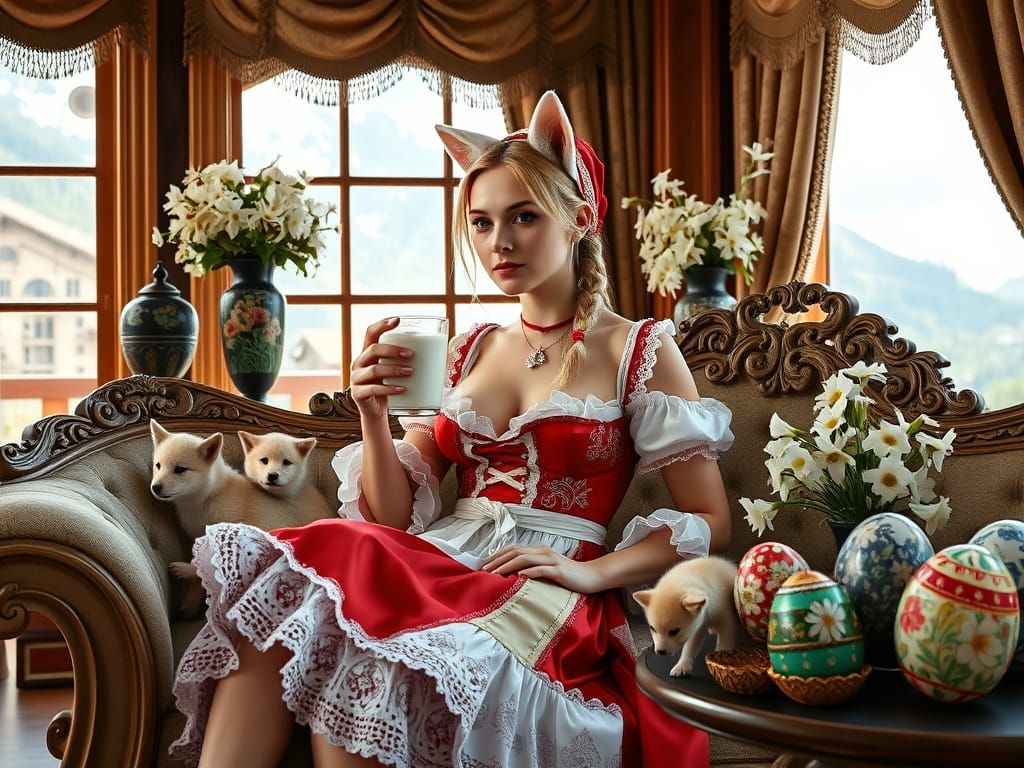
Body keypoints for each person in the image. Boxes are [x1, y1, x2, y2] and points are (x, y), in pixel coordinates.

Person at [170, 91, 734, 768]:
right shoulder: (466, 349)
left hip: (546, 585)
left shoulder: (639, 349)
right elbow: (391, 516)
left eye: (524, 217)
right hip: (438, 561)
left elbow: (708, 516)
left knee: (375, 651)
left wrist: (594, 575)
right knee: (292, 609)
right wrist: (373, 420)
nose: (499, 242)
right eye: (481, 222)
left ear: (579, 217)